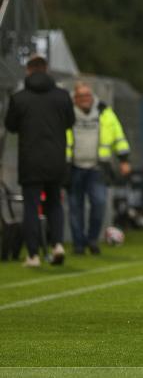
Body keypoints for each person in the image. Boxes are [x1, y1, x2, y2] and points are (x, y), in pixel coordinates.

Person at [4, 54, 74, 267]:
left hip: (30, 160)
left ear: (28, 70)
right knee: (54, 204)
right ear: (46, 69)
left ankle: (33, 255)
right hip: (56, 158)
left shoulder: (19, 98)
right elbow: (70, 122)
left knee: (32, 208)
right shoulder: (62, 96)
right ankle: (57, 245)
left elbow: (10, 126)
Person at [66, 82, 132, 255]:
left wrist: (124, 159)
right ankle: (79, 245)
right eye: (81, 96)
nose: (85, 99)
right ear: (75, 99)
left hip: (97, 168)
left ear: (92, 96)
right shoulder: (67, 114)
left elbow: (119, 137)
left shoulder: (104, 112)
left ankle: (92, 239)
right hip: (73, 167)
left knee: (99, 204)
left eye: (87, 95)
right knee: (75, 208)